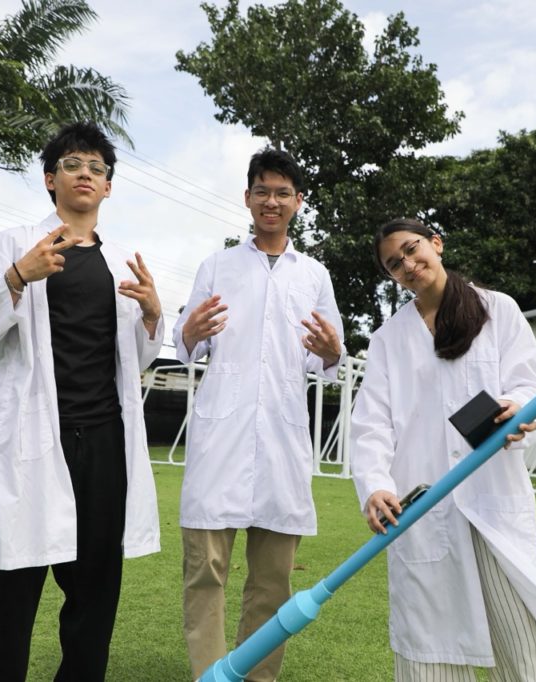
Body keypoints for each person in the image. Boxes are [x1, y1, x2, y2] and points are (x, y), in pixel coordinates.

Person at [0, 121, 163, 681]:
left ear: (108, 186)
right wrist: (17, 277)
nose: (84, 174)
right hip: (32, 438)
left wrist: (152, 316)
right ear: (50, 179)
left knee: (94, 591)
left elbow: (133, 362)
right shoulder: (15, 245)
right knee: (6, 585)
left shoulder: (121, 263)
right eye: (72, 165)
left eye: (96, 167)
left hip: (105, 441)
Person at [349, 218, 536, 681]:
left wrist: (519, 411)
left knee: (524, 649)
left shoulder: (498, 310)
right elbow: (372, 425)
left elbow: (529, 386)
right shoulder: (388, 340)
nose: (408, 265)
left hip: (492, 500)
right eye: (394, 264)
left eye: (412, 249)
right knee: (429, 650)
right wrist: (375, 486)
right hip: (425, 509)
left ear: (436, 244)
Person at [172, 148, 345, 681]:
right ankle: (210, 675)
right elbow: (187, 344)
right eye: (262, 191)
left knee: (273, 582)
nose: (272, 201)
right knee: (205, 572)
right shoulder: (217, 266)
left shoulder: (314, 274)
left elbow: (328, 356)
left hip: (282, 440)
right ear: (247, 198)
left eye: (282, 193)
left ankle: (258, 676)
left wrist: (332, 351)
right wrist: (190, 332)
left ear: (298, 201)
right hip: (219, 436)